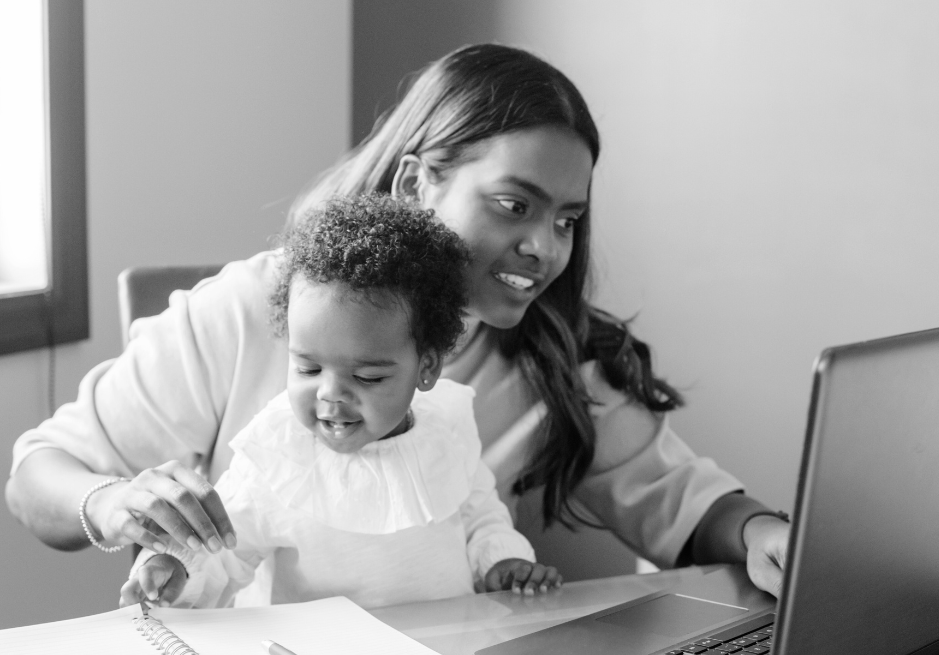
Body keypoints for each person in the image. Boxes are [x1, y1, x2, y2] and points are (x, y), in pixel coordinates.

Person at [5, 43, 790, 597]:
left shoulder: (549, 354)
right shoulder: (249, 309)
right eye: (515, 205)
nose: (544, 247)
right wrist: (109, 505)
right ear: (419, 182)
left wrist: (761, 534)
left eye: (567, 219)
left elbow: (682, 503)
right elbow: (39, 475)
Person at [119, 195, 560, 610]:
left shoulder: (447, 425)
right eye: (308, 369)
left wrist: (502, 562)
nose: (330, 394)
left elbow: (480, 514)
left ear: (426, 367)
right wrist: (174, 570)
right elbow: (222, 552)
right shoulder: (278, 456)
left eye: (367, 376)